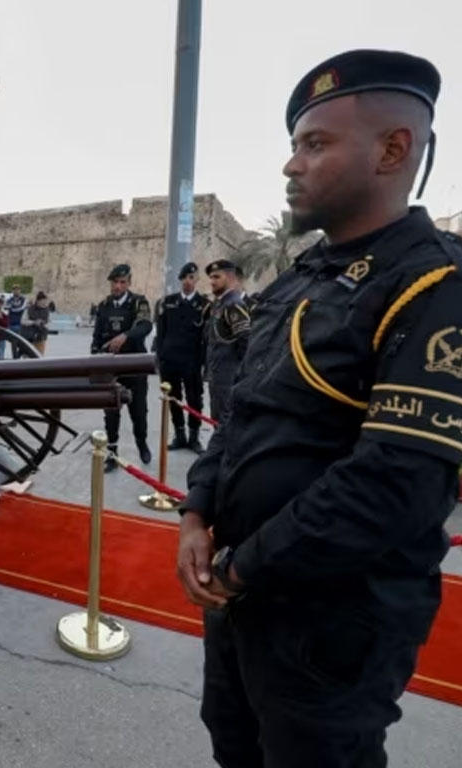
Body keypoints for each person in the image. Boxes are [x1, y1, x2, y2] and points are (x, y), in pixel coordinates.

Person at [179, 50, 462, 768]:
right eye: (294, 144)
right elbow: (243, 412)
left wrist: (241, 567)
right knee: (236, 745)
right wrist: (196, 511)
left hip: (333, 621)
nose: (291, 165)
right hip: (245, 597)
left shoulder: (433, 284)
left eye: (315, 143)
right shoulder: (303, 277)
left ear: (393, 149)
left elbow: (393, 484)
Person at [91, 264, 152, 467]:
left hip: (134, 366)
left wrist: (125, 336)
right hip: (111, 367)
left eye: (122, 282)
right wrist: (95, 356)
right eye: (114, 282)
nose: (117, 286)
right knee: (111, 413)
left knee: (139, 411)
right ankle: (112, 452)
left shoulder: (138, 303)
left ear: (129, 283)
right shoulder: (104, 305)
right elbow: (97, 336)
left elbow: (145, 325)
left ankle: (142, 444)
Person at [155, 262, 208, 453]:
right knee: (173, 398)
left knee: (195, 399)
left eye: (191, 277)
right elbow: (161, 334)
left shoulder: (205, 305)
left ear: (197, 280)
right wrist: (159, 358)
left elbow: (207, 337)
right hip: (170, 361)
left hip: (192, 362)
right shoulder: (167, 302)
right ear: (180, 280)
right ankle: (179, 435)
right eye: (184, 278)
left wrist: (204, 363)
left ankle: (194, 437)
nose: (188, 281)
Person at [203, 259, 252, 422]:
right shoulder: (218, 305)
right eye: (211, 277)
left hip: (228, 378)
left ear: (230, 278)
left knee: (226, 423)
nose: (212, 282)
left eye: (217, 277)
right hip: (216, 377)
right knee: (217, 420)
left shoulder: (233, 304)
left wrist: (239, 374)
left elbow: (245, 341)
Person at [20, 291, 52, 355]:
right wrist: (34, 322)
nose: (44, 303)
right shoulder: (29, 309)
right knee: (27, 357)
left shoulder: (47, 310)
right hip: (28, 337)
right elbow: (23, 321)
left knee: (39, 357)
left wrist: (43, 324)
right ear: (38, 301)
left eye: (45, 301)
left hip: (41, 338)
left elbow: (49, 323)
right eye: (42, 301)